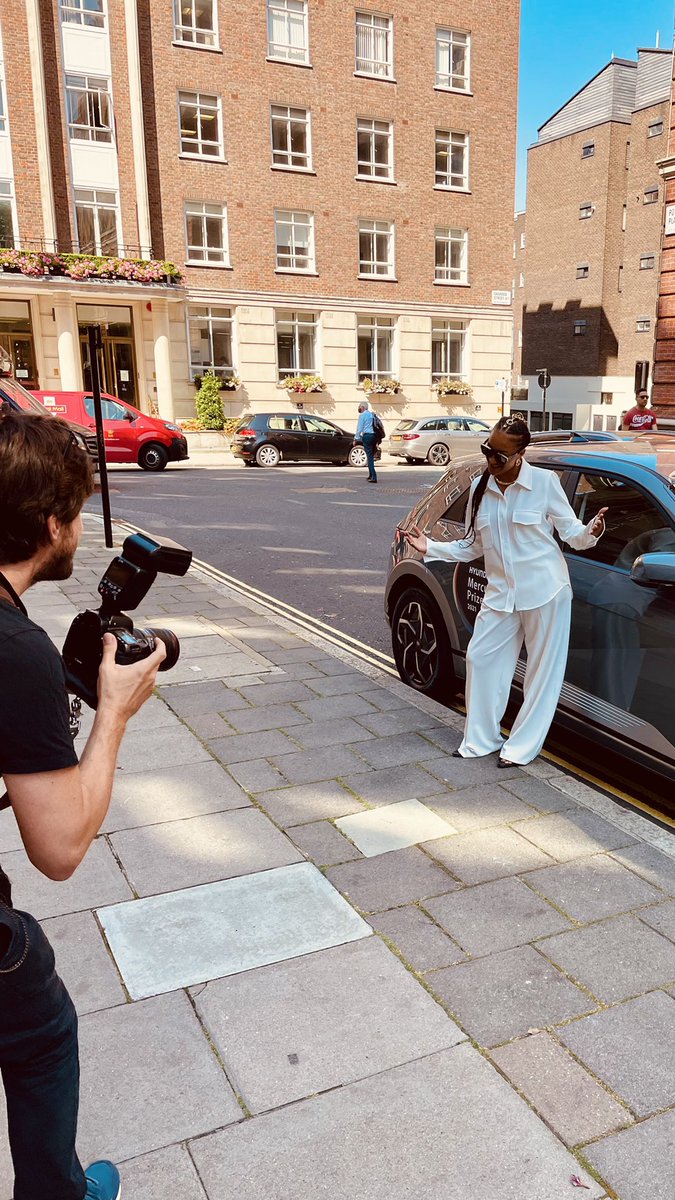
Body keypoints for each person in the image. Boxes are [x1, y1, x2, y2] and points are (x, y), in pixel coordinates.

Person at [0, 407, 166, 1200]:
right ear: (50, 524)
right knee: (40, 1031)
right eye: (73, 517)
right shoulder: (10, 647)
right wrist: (113, 715)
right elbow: (58, 849)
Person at [404, 414, 607, 767]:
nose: (491, 460)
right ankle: (481, 739)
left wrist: (592, 530)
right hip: (501, 593)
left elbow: (572, 534)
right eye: (488, 450)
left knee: (541, 674)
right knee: (480, 658)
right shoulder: (482, 487)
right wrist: (431, 547)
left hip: (546, 590)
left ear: (520, 454)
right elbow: (471, 546)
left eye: (500, 455)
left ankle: (520, 748)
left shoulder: (544, 484)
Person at [354, 401, 379, 483]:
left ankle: (373, 476)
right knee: (370, 456)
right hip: (374, 436)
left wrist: (356, 438)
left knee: (370, 457)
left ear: (363, 407)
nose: (359, 408)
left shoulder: (362, 415)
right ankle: (371, 475)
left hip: (367, 436)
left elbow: (359, 428)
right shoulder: (371, 415)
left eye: (359, 406)